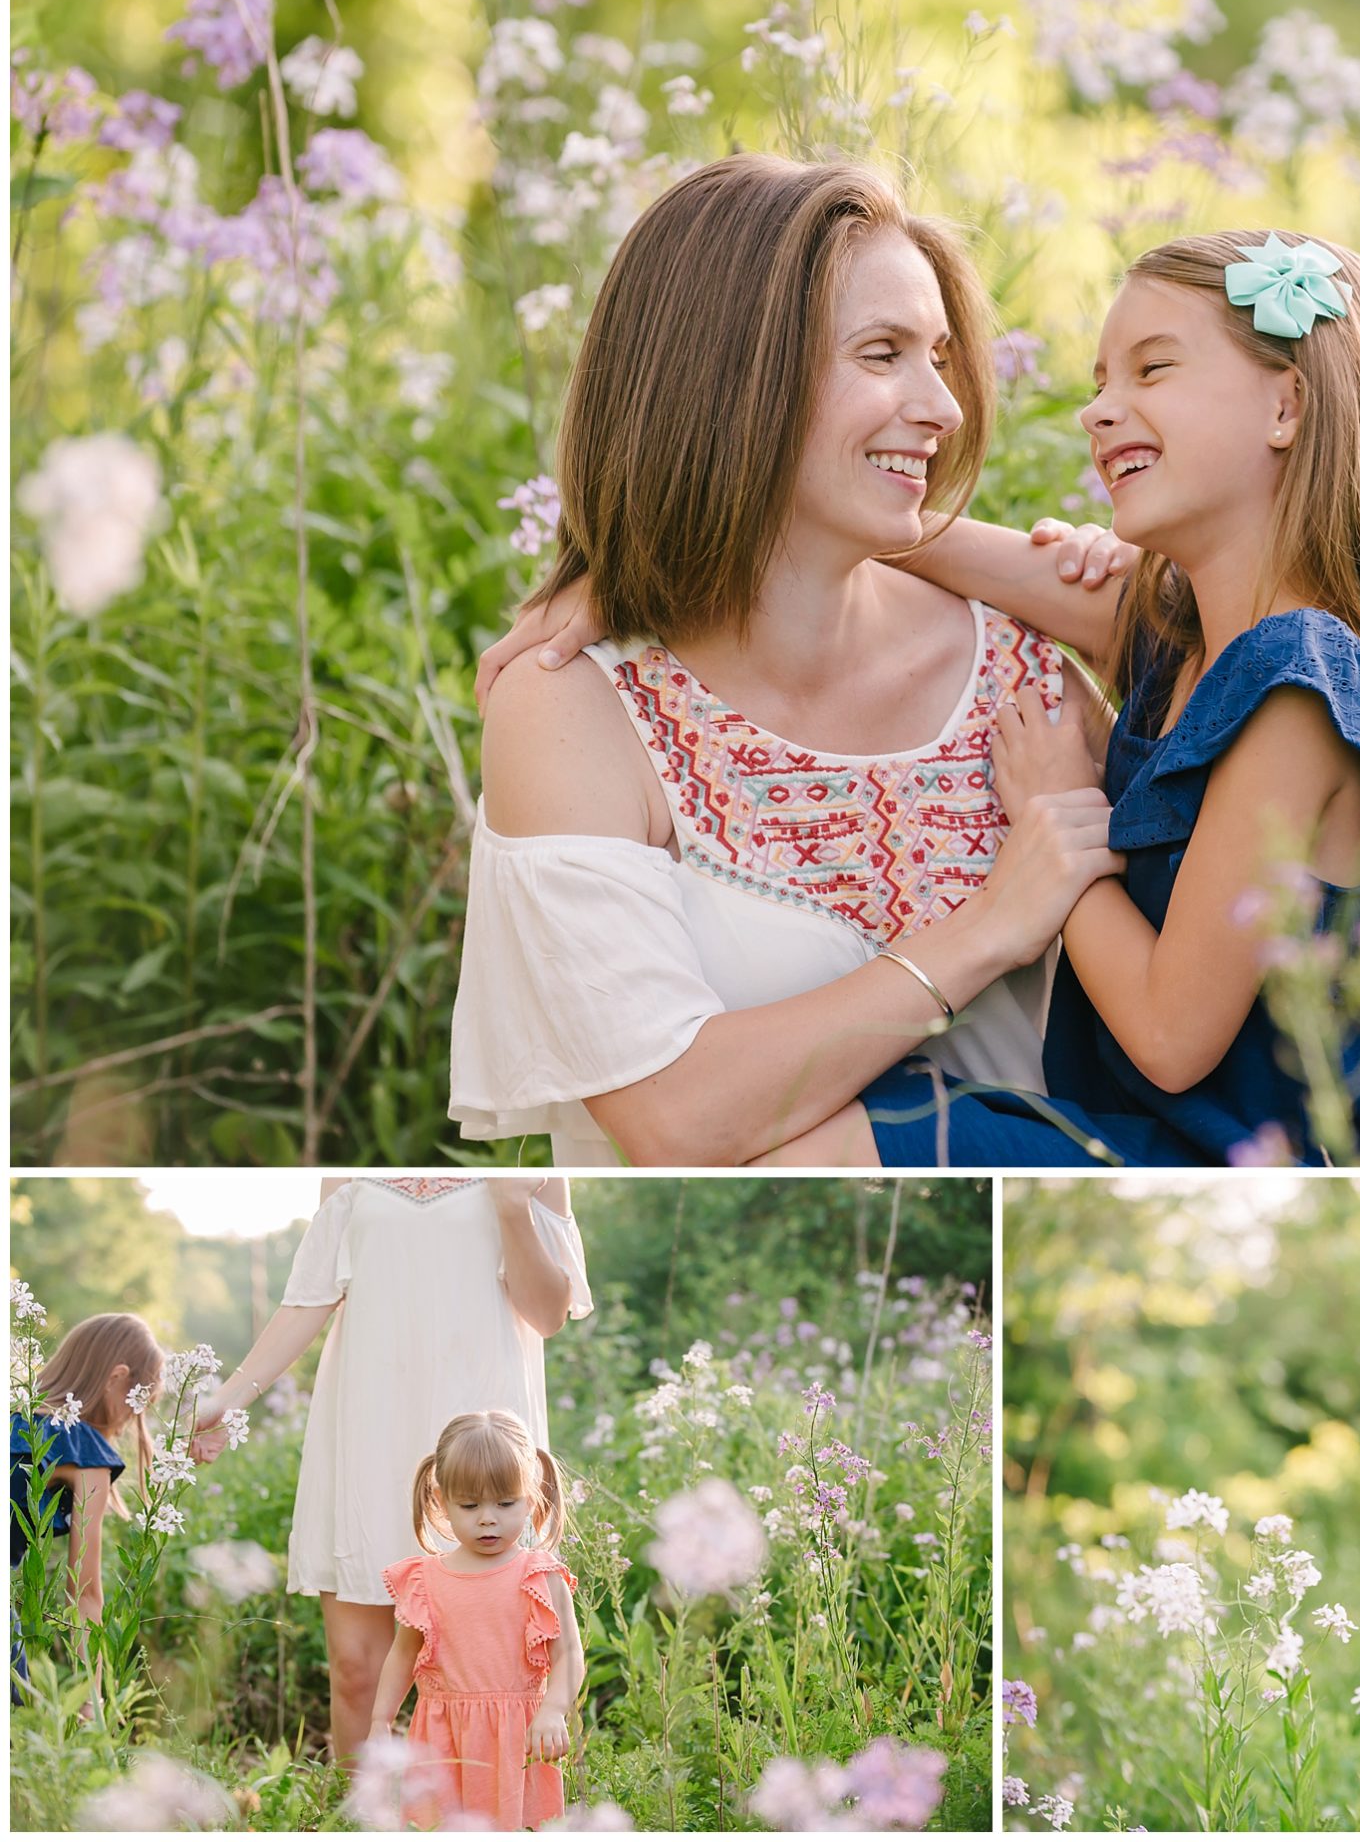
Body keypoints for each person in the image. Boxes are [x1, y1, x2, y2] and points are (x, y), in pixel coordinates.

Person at [496, 226, 1360, 1164]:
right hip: (1156, 1133)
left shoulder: (1299, 685)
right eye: (1101, 381)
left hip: (1254, 1155)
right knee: (838, 1129)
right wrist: (652, 546)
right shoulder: (1186, 645)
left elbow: (1172, 1040)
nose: (1097, 410)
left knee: (830, 1136)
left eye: (1152, 369)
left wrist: (1054, 830)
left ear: (1285, 407)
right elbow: (923, 537)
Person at [455, 152, 1129, 1167]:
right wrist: (992, 922)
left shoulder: (1024, 676)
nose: (941, 407)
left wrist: (937, 541)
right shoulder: (575, 709)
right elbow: (674, 1120)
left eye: (939, 357)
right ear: (730, 380)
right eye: (881, 353)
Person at [191, 1176, 590, 1762]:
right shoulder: (347, 1175)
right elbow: (309, 1298)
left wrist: (512, 1209)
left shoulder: (532, 1165)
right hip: (368, 1429)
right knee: (357, 1670)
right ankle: (363, 1816)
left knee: (498, 1670)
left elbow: (549, 1313)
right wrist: (229, 1399)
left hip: (484, 1442)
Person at [373, 1410, 582, 1832]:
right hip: (440, 1739)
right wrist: (380, 1719)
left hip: (517, 1739)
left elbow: (569, 1654)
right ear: (441, 1501)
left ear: (531, 1497)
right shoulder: (425, 1580)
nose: (488, 1517)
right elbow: (402, 1656)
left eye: (505, 1503)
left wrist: (553, 1710)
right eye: (470, 1505)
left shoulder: (538, 1575)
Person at [9, 1312, 164, 1699]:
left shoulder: (14, 1416)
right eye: (137, 1401)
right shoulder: (83, 1451)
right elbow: (83, 1596)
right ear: (117, 1377)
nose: (133, 1418)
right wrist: (90, 1710)